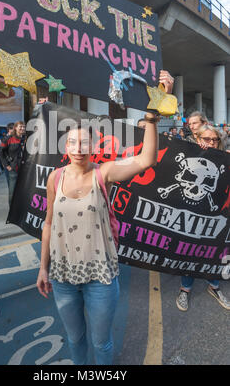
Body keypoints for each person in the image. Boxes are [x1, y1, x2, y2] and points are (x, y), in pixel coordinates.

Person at [36, 70, 174, 365]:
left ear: (93, 147)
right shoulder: (54, 178)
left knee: (102, 343)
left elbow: (145, 159)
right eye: (72, 143)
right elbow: (48, 223)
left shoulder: (104, 173)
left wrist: (152, 116)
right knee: (75, 339)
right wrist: (42, 268)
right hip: (63, 277)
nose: (78, 149)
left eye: (85, 143)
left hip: (100, 276)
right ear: (65, 147)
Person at [176, 124, 230, 311]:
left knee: (215, 250)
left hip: (217, 217)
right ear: (198, 139)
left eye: (214, 139)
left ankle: (214, 286)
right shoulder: (189, 157)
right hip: (191, 214)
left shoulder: (225, 160)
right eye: (206, 139)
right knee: (189, 249)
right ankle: (186, 288)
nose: (211, 143)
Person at [0, 121, 26, 206]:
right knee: (12, 192)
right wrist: (6, 165)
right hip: (13, 169)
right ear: (15, 128)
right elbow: (0, 152)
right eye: (20, 126)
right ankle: (12, 213)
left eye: (24, 127)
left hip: (24, 169)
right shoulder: (8, 138)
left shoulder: (25, 138)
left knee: (23, 191)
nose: (22, 128)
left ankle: (21, 209)